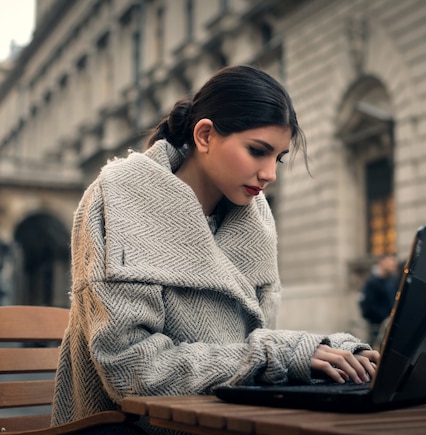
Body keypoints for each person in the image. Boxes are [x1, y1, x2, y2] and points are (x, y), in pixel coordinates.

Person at [51, 65, 380, 434]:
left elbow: (250, 352)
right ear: (205, 135)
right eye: (258, 151)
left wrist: (327, 353)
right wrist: (285, 355)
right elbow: (133, 370)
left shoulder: (255, 218)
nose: (270, 173)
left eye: (279, 158)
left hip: (223, 421)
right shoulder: (119, 197)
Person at [358, 254, 400, 349]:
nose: (394, 264)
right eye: (391, 261)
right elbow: (367, 306)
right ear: (382, 262)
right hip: (377, 326)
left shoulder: (393, 280)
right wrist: (384, 316)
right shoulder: (371, 282)